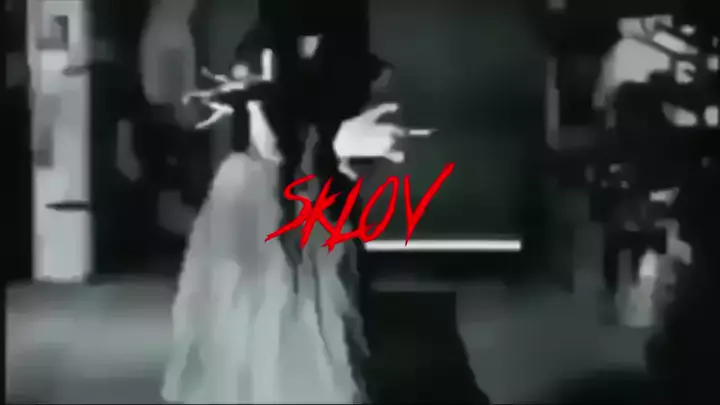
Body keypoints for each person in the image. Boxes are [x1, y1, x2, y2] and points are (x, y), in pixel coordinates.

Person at [163, 53, 407, 402]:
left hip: (273, 194)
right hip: (272, 195)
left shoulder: (266, 115)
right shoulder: (274, 114)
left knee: (269, 290)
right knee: (277, 289)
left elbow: (281, 154)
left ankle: (267, 372)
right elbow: (278, 154)